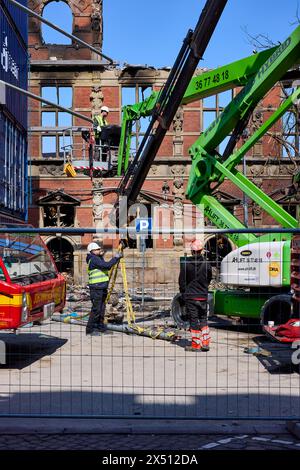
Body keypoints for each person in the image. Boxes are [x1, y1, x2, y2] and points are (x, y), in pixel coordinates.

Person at [179, 239, 212, 352]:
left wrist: (183, 293)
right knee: (203, 319)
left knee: (193, 320)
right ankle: (205, 343)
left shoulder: (186, 264)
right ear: (201, 250)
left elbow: (182, 281)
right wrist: (204, 288)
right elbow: (209, 279)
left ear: (192, 251)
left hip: (191, 296)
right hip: (202, 295)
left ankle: (196, 345)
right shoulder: (207, 264)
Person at [86, 241, 123, 336]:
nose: (100, 250)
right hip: (96, 287)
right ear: (92, 251)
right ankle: (90, 329)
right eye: (98, 249)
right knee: (96, 309)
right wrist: (116, 257)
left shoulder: (98, 258)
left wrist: (112, 257)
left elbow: (106, 267)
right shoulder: (94, 259)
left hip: (101, 287)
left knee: (102, 309)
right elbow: (107, 266)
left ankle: (100, 327)